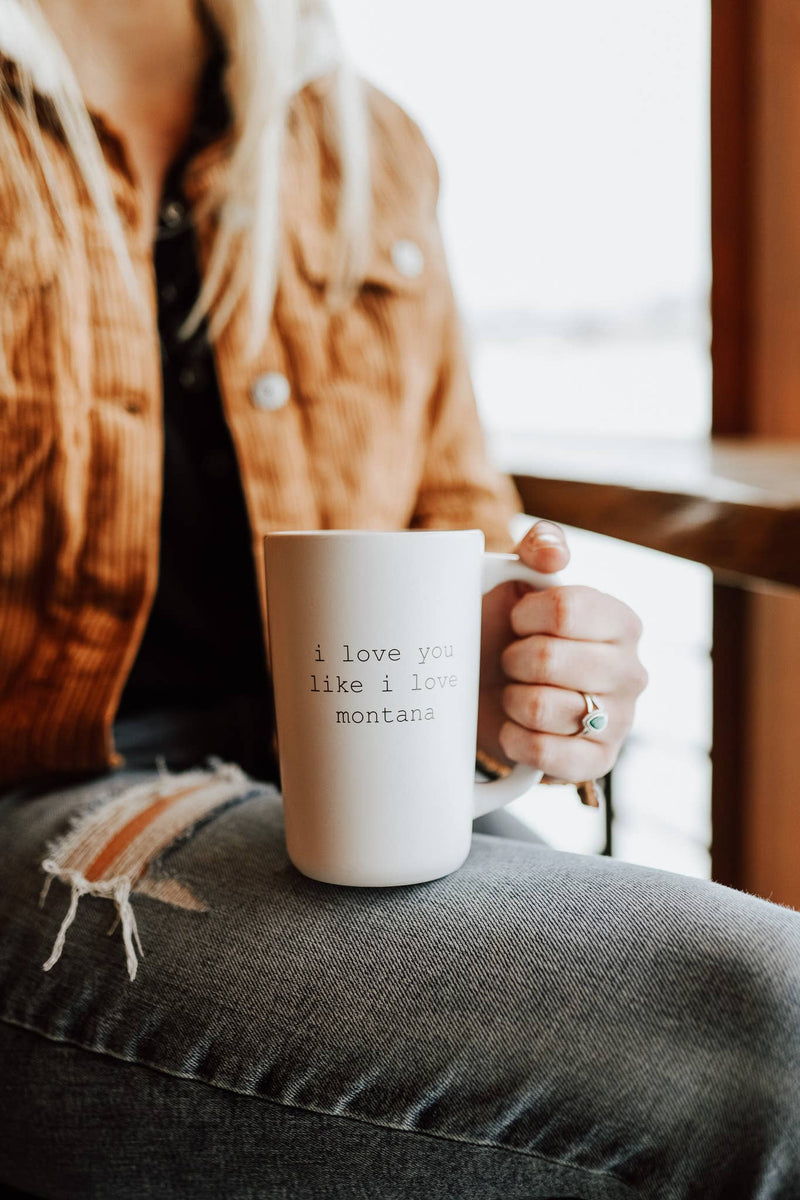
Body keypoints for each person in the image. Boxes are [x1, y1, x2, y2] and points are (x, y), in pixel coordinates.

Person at [0, 1, 797, 1196]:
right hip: (48, 806)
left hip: (323, 790)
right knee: (757, 1033)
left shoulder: (363, 143)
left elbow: (461, 523)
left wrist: (522, 683)